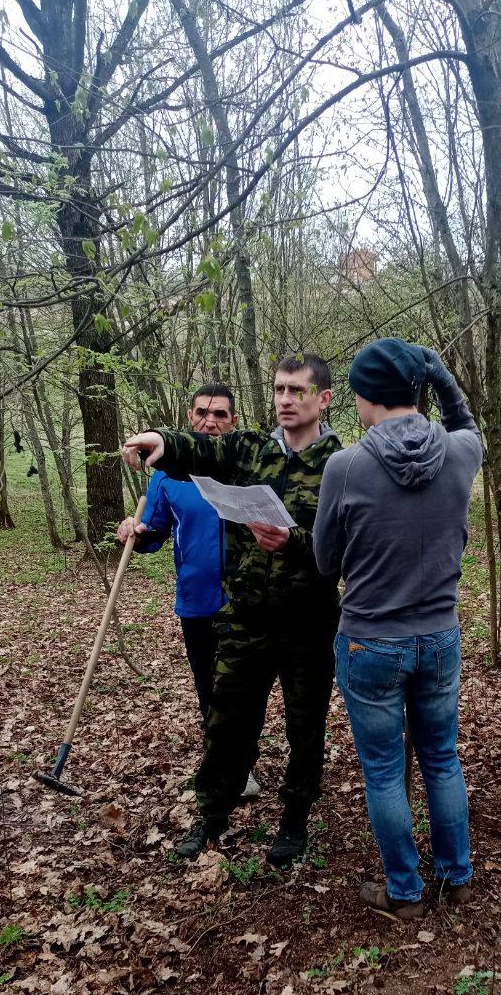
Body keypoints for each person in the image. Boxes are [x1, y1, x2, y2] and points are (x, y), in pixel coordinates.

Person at [122, 354, 340, 868]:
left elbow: (347, 548)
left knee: (304, 726)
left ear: (323, 399)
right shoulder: (249, 450)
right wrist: (160, 441)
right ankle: (212, 813)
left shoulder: (341, 466)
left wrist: (293, 542)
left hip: (307, 621)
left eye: (297, 391)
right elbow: (199, 448)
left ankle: (294, 820)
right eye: (279, 389)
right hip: (244, 617)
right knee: (228, 720)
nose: (285, 400)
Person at [314, 338, 483, 921]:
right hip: (439, 634)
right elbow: (466, 421)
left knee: (385, 769)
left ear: (363, 396)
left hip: (370, 641)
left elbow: (324, 562)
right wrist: (440, 377)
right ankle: (456, 879)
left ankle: (405, 892)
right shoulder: (462, 453)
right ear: (417, 390)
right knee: (442, 758)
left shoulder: (347, 465)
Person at [117, 383, 260, 800]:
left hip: (246, 601)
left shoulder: (245, 468)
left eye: (220, 415)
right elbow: (156, 531)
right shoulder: (167, 476)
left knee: (244, 689)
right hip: (196, 601)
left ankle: (242, 761)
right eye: (202, 413)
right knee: (209, 688)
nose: (210, 422)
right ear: (189, 417)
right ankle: (228, 767)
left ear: (233, 422)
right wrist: (136, 532)